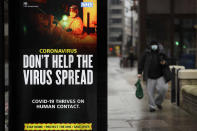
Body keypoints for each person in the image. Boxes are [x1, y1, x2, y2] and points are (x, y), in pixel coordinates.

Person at [138, 41, 171, 112]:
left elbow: (168, 61)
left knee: (163, 89)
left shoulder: (161, 53)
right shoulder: (146, 53)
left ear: (158, 46)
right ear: (150, 46)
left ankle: (158, 102)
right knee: (150, 92)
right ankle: (152, 106)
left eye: (155, 45)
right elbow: (141, 63)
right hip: (150, 76)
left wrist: (165, 62)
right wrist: (139, 72)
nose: (154, 47)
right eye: (152, 45)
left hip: (160, 75)